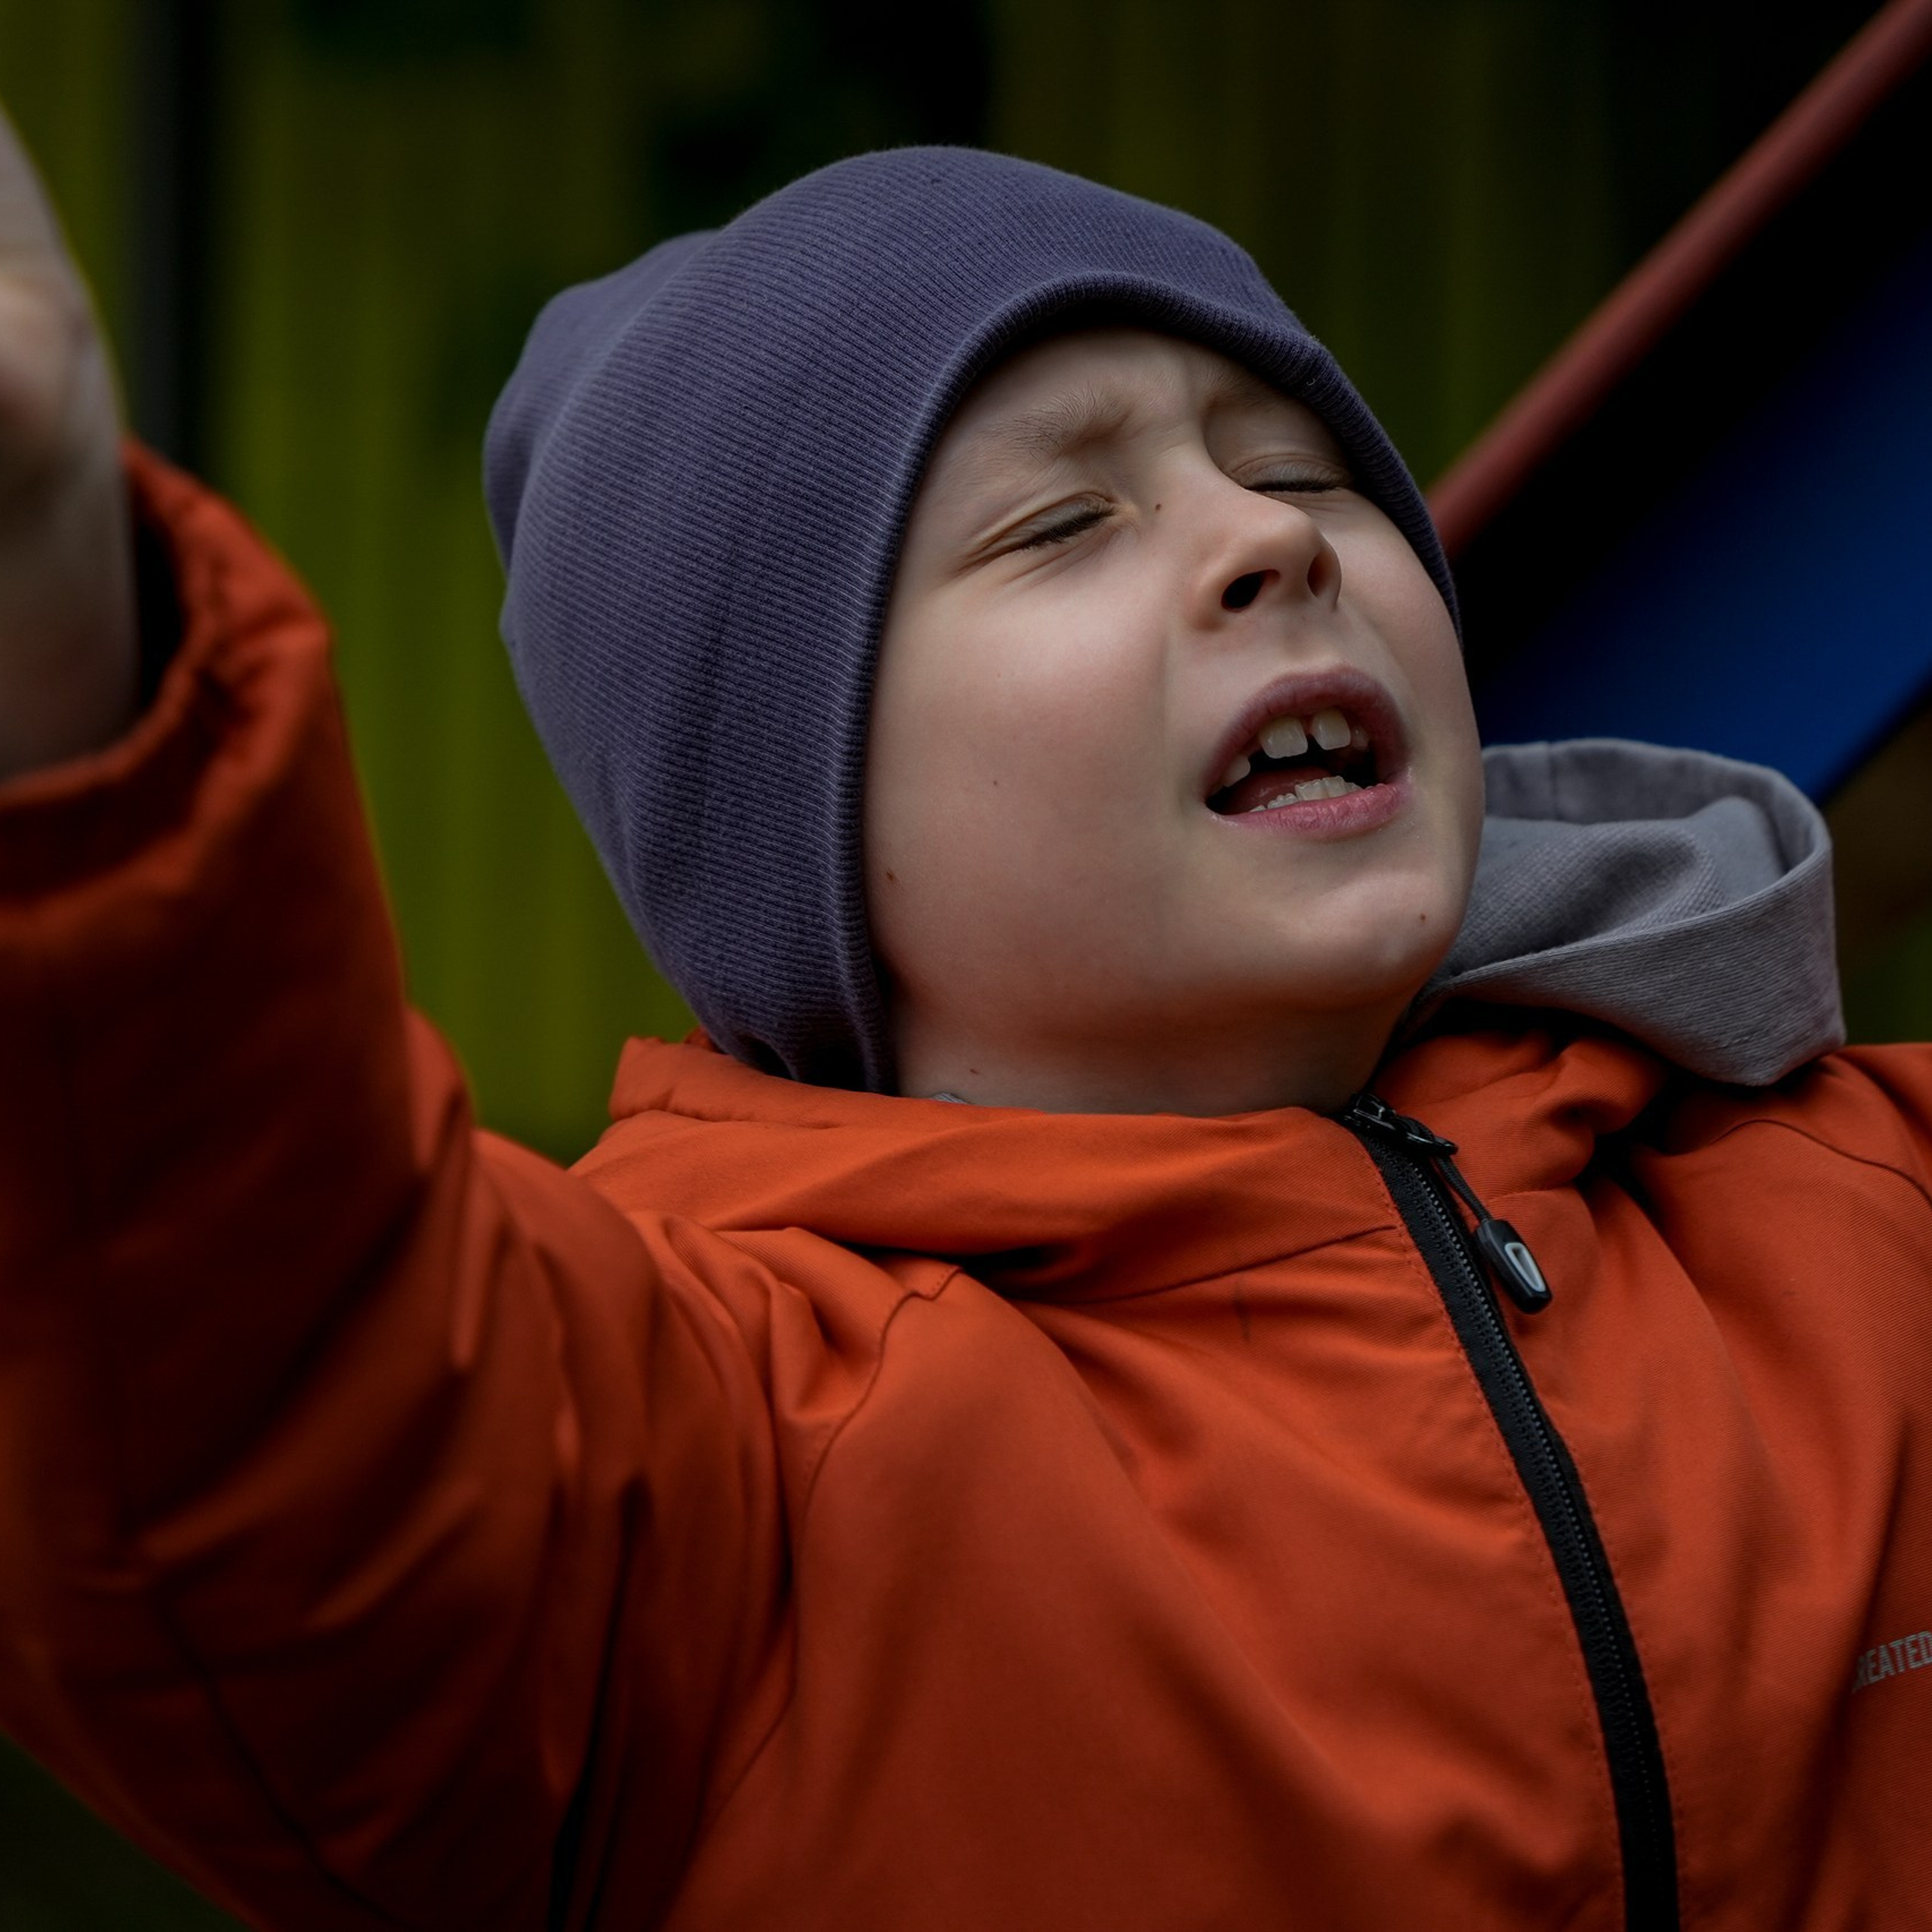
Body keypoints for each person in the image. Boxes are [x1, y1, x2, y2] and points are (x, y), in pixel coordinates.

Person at [0, 109, 1927, 1932]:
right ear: (801, 811)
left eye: (1295, 464)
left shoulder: (1854, 1213)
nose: (1277, 541)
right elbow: (245, 1383)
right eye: (1061, 522)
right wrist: (63, 641)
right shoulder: (720, 1494)